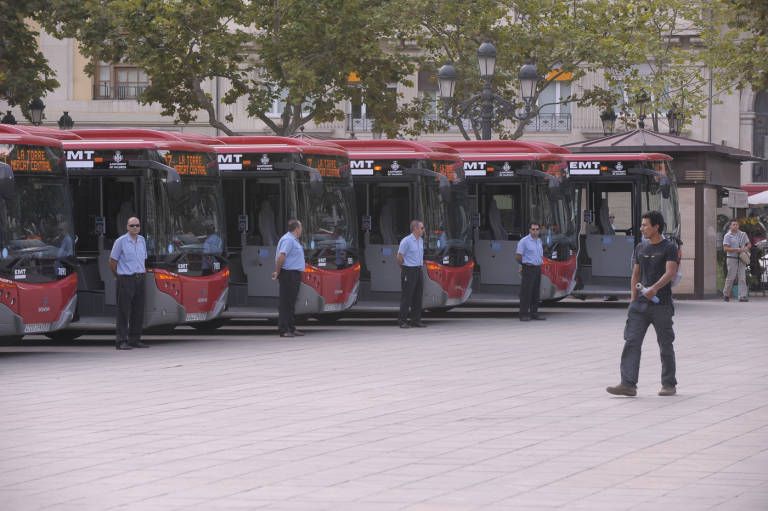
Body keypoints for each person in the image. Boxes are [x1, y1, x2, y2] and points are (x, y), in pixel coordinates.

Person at [607, 210, 679, 397]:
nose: (642, 228)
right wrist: (632, 301)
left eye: (645, 225)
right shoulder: (640, 247)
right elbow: (636, 275)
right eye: (642, 225)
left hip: (661, 304)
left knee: (665, 344)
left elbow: (670, 272)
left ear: (657, 227)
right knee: (631, 342)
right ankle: (628, 384)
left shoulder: (669, 247)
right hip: (639, 306)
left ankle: (669, 384)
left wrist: (654, 288)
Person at [109, 217, 148, 350]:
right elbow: (112, 261)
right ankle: (121, 341)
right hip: (125, 278)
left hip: (139, 278)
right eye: (132, 225)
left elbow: (143, 260)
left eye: (137, 225)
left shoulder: (142, 241)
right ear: (127, 227)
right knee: (123, 311)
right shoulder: (121, 241)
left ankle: (135, 339)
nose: (135, 228)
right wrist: (118, 276)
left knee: (138, 311)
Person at [273, 219, 305, 338]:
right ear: (297, 228)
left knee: (291, 302)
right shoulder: (288, 240)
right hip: (288, 274)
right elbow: (281, 256)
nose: (301, 229)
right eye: (300, 227)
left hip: (294, 274)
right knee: (285, 303)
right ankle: (284, 329)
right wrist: (278, 272)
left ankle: (291, 327)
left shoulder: (294, 240)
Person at [397, 219, 426, 328]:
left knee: (418, 296)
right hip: (409, 270)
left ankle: (416, 320)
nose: (423, 230)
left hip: (418, 270)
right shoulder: (406, 241)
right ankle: (402, 320)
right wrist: (403, 269)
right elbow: (399, 256)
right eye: (422, 228)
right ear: (415, 229)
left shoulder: (421, 240)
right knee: (407, 297)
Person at [516, 222, 545, 321]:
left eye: (537, 229)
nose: (535, 231)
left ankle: (534, 313)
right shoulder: (524, 241)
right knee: (526, 292)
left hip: (537, 268)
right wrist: (523, 265)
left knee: (535, 292)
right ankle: (523, 314)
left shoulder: (539, 241)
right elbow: (518, 256)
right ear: (529, 230)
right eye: (533, 229)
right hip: (528, 269)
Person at [722, 219, 751, 302]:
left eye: (737, 224)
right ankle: (726, 294)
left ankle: (742, 296)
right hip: (732, 259)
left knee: (742, 277)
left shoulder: (743, 234)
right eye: (734, 224)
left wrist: (746, 247)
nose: (735, 226)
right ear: (730, 226)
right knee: (731, 277)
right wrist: (736, 249)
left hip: (741, 258)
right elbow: (725, 248)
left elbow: (749, 243)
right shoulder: (728, 236)